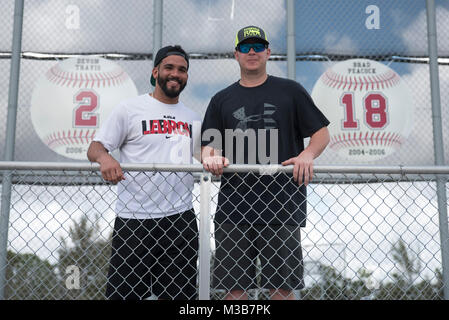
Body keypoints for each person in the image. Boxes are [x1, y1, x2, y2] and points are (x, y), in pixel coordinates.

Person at [201, 26, 330, 300]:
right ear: (236, 54)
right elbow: (207, 147)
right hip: (234, 206)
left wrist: (308, 155)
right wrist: (212, 158)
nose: (252, 52)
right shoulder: (221, 99)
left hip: (281, 204)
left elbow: (321, 133)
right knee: (234, 291)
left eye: (258, 47)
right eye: (245, 47)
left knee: (282, 289)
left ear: (268, 53)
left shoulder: (290, 91)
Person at [87, 45, 201, 300]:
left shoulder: (193, 117)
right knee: (123, 296)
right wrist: (105, 158)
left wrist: (219, 159)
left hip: (179, 219)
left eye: (182, 70)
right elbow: (95, 147)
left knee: (180, 297)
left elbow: (204, 155)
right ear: (156, 71)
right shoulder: (130, 109)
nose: (175, 74)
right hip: (134, 219)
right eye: (169, 68)